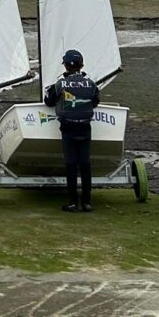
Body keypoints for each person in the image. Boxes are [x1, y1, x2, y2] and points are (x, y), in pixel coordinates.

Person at [44, 49, 100, 213]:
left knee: (71, 164)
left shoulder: (60, 83)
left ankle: (73, 203)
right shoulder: (90, 83)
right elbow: (95, 100)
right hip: (85, 126)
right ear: (81, 65)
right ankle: (87, 203)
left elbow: (49, 101)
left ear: (66, 66)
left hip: (68, 127)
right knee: (85, 164)